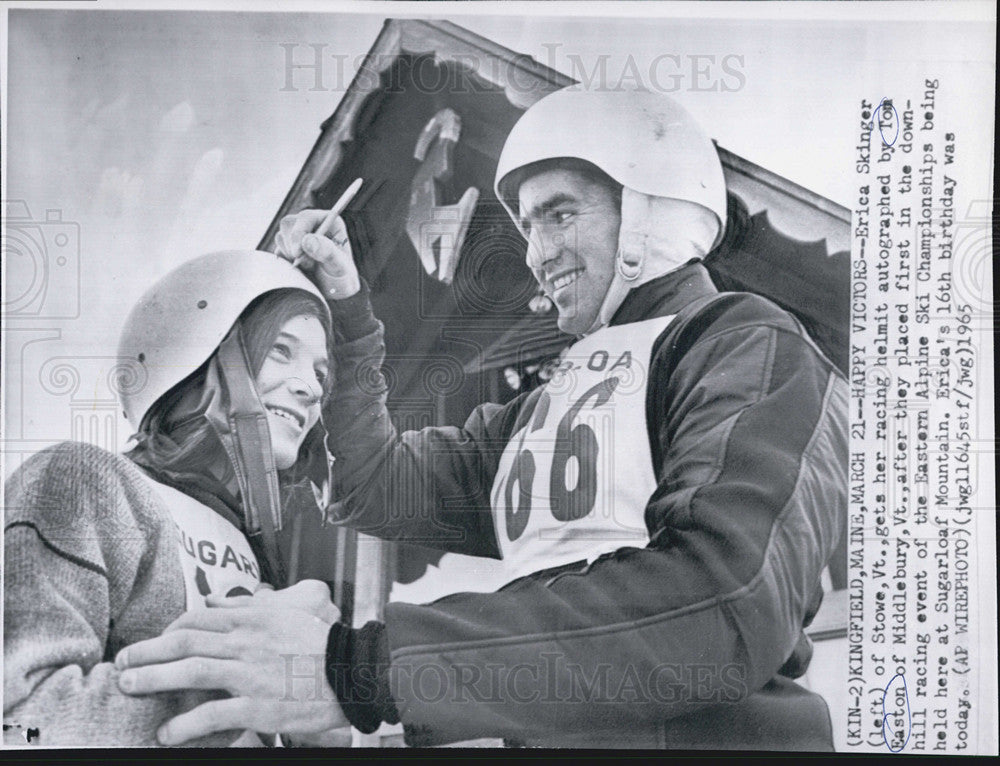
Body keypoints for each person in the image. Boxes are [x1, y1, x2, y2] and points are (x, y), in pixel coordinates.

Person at [115, 89, 848, 750]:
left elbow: (724, 600)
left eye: (561, 213)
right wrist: (345, 313)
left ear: (653, 208)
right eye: (527, 225)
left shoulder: (746, 341)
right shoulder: (541, 410)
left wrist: (359, 670)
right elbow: (375, 484)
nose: (537, 252)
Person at [3, 249, 351, 746]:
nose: (313, 389)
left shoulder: (259, 554)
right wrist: (239, 685)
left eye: (320, 372)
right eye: (281, 350)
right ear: (200, 350)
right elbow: (17, 726)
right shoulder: (85, 482)